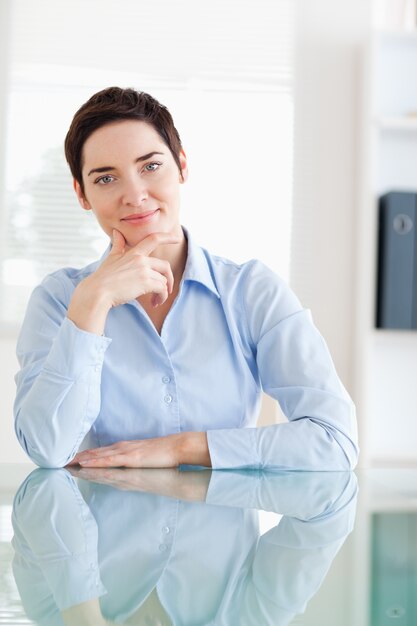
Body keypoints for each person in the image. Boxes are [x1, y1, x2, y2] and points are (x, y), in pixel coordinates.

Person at [14, 86, 359, 470]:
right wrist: (92, 304)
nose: (135, 194)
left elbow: (335, 439)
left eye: (150, 166)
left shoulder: (251, 292)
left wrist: (184, 448)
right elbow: (46, 449)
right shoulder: (60, 299)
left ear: (182, 165)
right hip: (106, 528)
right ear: (82, 194)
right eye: (106, 179)